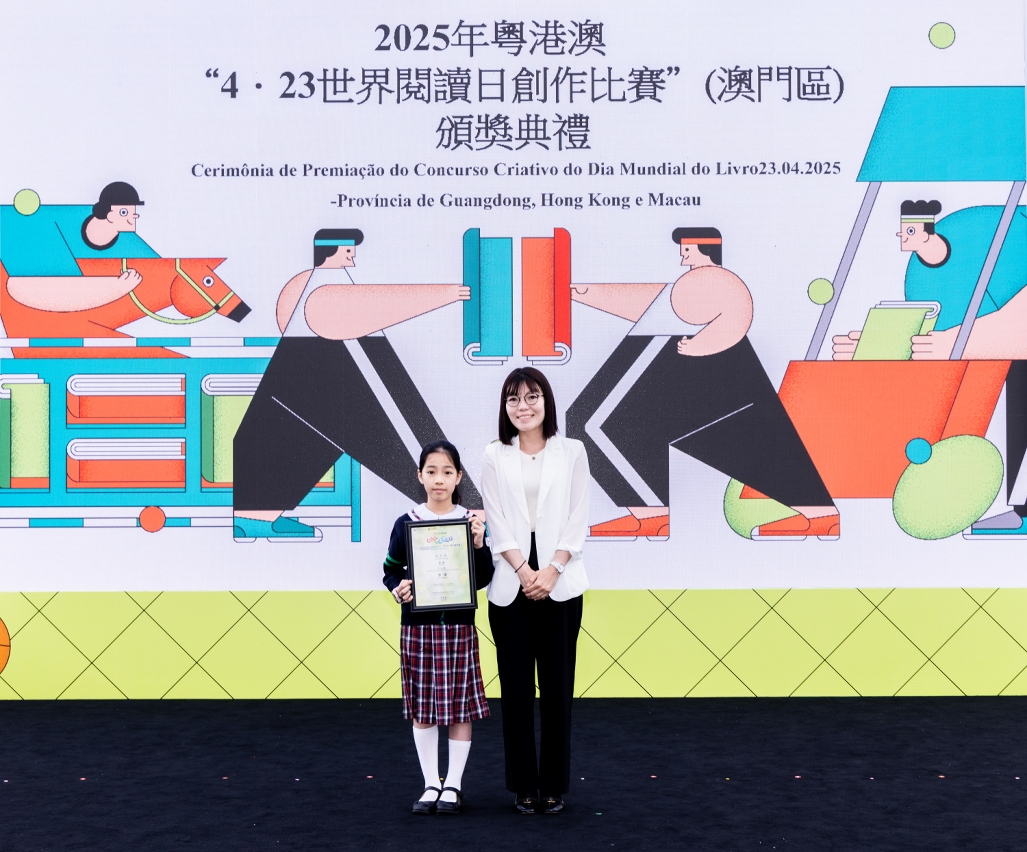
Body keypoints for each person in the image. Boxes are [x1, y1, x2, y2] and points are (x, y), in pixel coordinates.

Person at [566, 227, 838, 540]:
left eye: (688, 247)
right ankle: (820, 514)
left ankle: (651, 514)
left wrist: (701, 345)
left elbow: (733, 313)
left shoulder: (715, 282)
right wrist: (587, 293)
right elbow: (658, 301)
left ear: (706, 248)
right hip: (705, 367)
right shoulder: (692, 286)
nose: (683, 252)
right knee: (749, 432)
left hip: (698, 363)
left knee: (593, 423)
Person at [232, 228, 482, 541]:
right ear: (330, 251)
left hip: (313, 378)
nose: (352, 254)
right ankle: (255, 517)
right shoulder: (324, 289)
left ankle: (257, 517)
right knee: (385, 439)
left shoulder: (324, 283)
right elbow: (373, 305)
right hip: (318, 378)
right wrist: (448, 293)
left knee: (298, 447)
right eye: (347, 249)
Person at [833, 200, 1027, 534]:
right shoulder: (925, 276)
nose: (902, 236)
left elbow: (1014, 326)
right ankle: (1021, 510)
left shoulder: (1000, 233)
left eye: (910, 230)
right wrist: (878, 345)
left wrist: (956, 344)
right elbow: (939, 339)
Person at [481, 367, 590, 815]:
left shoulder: (573, 451)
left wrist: (553, 569)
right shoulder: (494, 454)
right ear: (505, 408)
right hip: (511, 588)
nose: (522, 406)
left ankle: (554, 786)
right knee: (516, 692)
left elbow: (578, 516)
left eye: (531, 397)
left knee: (558, 690)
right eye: (513, 399)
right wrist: (525, 571)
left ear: (546, 401)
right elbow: (495, 519)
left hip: (561, 586)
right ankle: (524, 786)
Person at [383, 440, 494, 815]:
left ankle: (454, 785)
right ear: (420, 476)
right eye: (431, 471)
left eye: (447, 472)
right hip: (417, 628)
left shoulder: (470, 522)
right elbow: (390, 570)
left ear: (458, 476)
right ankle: (431, 783)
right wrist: (398, 588)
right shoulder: (406, 523)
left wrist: (478, 544)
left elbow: (483, 578)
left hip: (458, 627)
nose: (439, 479)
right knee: (423, 708)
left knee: (460, 709)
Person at [4, 182, 152, 313]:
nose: (134, 217)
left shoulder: (131, 241)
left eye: (133, 212)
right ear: (107, 212)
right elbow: (25, 287)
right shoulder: (40, 224)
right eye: (124, 212)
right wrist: (119, 287)